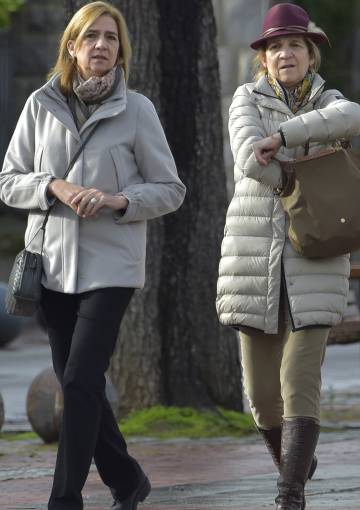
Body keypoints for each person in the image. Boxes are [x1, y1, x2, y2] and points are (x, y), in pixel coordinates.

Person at [0, 2, 186, 509]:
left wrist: (118, 200)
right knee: (78, 386)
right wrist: (54, 186)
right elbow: (9, 181)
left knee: (81, 379)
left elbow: (171, 189)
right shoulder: (40, 105)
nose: (102, 45)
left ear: (121, 49)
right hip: (51, 269)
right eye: (91, 37)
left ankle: (65, 500)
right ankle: (126, 480)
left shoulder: (138, 110)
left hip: (111, 269)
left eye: (111, 37)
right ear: (73, 47)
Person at [216, 3, 360, 510]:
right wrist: (304, 179)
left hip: (317, 260)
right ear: (264, 58)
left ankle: (289, 493)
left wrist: (285, 138)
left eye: (294, 45)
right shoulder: (245, 98)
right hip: (253, 263)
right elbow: (248, 161)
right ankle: (298, 461)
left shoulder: (332, 100)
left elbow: (352, 118)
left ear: (311, 53)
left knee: (300, 380)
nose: (285, 54)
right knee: (260, 397)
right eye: (275, 47)